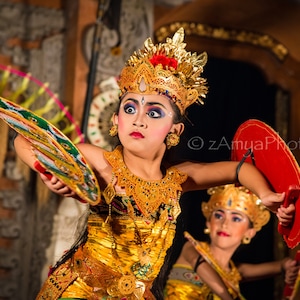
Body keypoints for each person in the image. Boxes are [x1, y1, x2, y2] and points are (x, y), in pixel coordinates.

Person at [13, 28, 294, 300]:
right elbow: (24, 140)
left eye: (155, 112)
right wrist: (48, 171)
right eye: (130, 108)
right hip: (83, 290)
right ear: (116, 120)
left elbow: (239, 169)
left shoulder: (179, 178)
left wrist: (266, 194)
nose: (138, 119)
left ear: (175, 130)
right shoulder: (102, 162)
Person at [164, 184, 300, 300]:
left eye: (236, 219)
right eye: (218, 215)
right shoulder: (192, 249)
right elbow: (205, 266)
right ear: (208, 222)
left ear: (250, 232)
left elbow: (276, 266)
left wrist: (287, 266)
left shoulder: (234, 271)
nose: (224, 224)